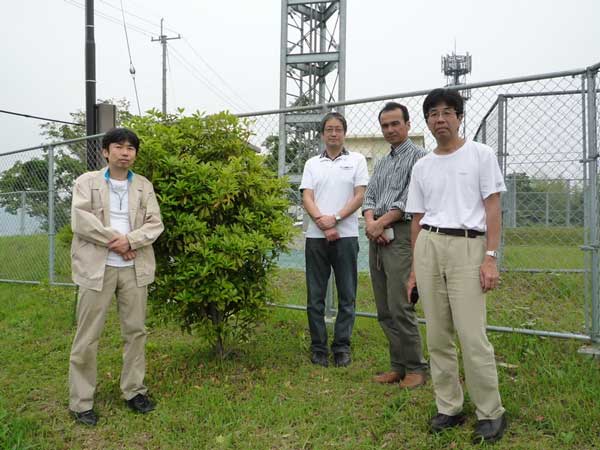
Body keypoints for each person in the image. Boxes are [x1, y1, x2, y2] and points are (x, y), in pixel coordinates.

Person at [405, 88, 507, 443]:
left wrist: (490, 258)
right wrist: (415, 270)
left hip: (468, 245)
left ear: (459, 117)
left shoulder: (480, 155)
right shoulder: (422, 165)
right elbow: (417, 218)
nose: (440, 119)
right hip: (429, 245)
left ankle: (490, 412)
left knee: (471, 334)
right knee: (437, 334)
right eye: (433, 113)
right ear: (428, 121)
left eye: (448, 112)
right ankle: (449, 406)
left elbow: (492, 207)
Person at [68, 128, 164, 426]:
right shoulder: (87, 182)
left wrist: (131, 241)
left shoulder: (144, 186)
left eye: (131, 148)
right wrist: (118, 241)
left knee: (135, 332)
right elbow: (81, 220)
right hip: (97, 267)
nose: (125, 152)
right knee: (88, 336)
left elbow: (155, 223)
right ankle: (81, 401)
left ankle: (134, 390)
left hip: (135, 268)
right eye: (119, 147)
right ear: (105, 152)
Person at [363, 102, 428, 389]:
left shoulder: (420, 158)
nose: (390, 129)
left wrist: (382, 223)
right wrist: (370, 223)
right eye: (385, 125)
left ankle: (416, 367)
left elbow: (408, 200)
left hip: (400, 235)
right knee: (384, 307)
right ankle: (397, 365)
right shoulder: (383, 161)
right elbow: (370, 197)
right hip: (376, 237)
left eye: (395, 124)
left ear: (407, 125)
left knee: (401, 304)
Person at [300, 112, 369, 368]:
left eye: (338, 129)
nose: (333, 133)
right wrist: (321, 221)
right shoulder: (311, 164)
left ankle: (341, 347)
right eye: (328, 129)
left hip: (346, 236)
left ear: (344, 133)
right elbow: (307, 196)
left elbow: (359, 195)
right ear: (322, 134)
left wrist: (336, 218)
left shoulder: (358, 160)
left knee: (347, 295)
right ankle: (318, 347)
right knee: (315, 296)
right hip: (316, 238)